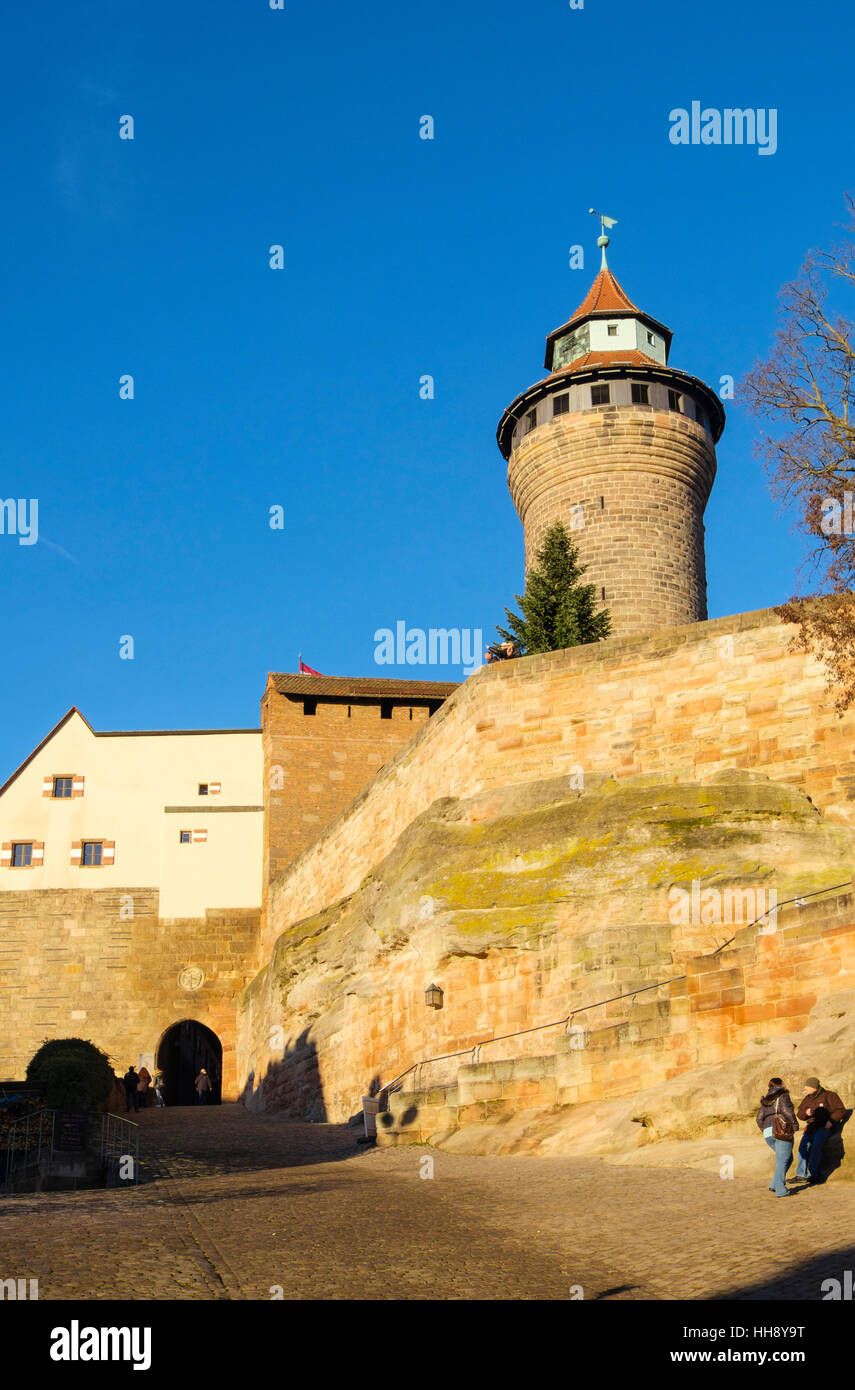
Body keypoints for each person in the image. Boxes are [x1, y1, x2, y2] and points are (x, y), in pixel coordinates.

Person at [796, 1076, 847, 1184]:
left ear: (814, 1087)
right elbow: (800, 1114)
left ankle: (813, 1175)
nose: (806, 1088)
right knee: (802, 1148)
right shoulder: (807, 1098)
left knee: (816, 1148)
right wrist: (806, 1112)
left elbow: (840, 1110)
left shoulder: (829, 1095)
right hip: (811, 1128)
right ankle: (801, 1175)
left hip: (824, 1127)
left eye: (808, 1086)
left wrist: (831, 1121)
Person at [756, 1076, 798, 1196]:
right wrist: (795, 1126)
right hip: (781, 1130)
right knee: (783, 1160)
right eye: (783, 1082)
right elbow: (786, 1111)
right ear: (780, 1084)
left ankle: (774, 1184)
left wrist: (765, 1129)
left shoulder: (766, 1099)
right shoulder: (783, 1095)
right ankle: (780, 1190)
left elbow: (759, 1118)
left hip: (768, 1133)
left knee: (786, 1158)